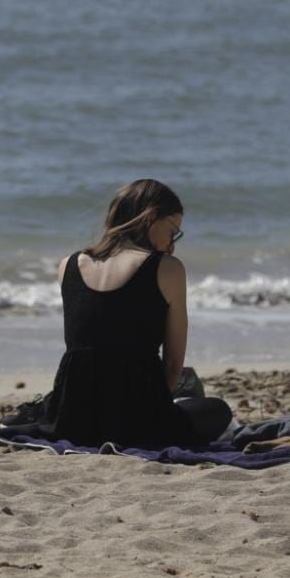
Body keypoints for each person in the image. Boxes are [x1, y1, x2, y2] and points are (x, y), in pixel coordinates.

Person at [14, 179, 232, 447]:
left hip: (74, 418)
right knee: (216, 410)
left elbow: (87, 346)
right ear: (151, 218)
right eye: (172, 231)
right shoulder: (167, 268)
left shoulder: (67, 265)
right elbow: (173, 365)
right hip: (136, 421)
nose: (172, 244)